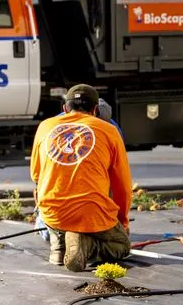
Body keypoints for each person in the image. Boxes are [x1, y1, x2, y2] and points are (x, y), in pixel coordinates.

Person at [30, 84, 132, 271]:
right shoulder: (109, 130)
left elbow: (36, 175)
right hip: (92, 212)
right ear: (95, 110)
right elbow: (123, 186)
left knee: (48, 207)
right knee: (122, 246)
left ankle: (59, 246)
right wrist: (122, 222)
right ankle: (86, 245)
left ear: (65, 108)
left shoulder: (45, 126)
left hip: (53, 213)